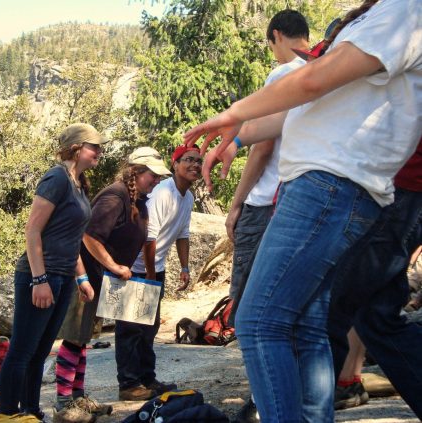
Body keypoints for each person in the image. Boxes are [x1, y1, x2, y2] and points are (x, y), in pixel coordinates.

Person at [184, 0, 421, 421]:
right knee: (307, 325)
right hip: (328, 183)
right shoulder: (382, 14)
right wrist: (238, 137)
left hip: (330, 183)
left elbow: (313, 81)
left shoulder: (406, 9)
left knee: (259, 321)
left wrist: (235, 112)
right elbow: (309, 105)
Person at [221, 11, 309, 422]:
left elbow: (262, 146)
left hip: (267, 202)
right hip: (302, 201)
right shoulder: (322, 66)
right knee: (295, 307)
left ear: (275, 36)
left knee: (251, 308)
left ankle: (264, 399)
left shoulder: (283, 75)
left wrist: (237, 202)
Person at [0, 123, 107, 421]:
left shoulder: (79, 182)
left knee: (40, 350)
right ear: (76, 147)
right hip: (40, 276)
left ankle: (30, 411)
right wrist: (39, 279)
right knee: (21, 350)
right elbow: (32, 231)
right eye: (94, 146)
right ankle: (7, 415)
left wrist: (81, 277)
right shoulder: (56, 178)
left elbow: (71, 239)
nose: (99, 151)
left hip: (63, 278)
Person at [60, 147, 170, 410]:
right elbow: (88, 236)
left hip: (104, 280)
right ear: (136, 172)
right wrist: (113, 266)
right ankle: (65, 401)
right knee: (75, 337)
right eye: (152, 175)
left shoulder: (138, 200)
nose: (156, 181)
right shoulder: (115, 195)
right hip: (85, 277)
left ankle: (79, 397)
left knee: (84, 337)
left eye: (158, 177)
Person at [328, 137, 422, 419]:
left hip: (400, 189)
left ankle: (290, 410)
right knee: (375, 319)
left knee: (328, 307)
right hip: (399, 187)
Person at [125, 144, 202, 390]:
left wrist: (185, 267)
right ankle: (128, 383)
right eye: (189, 159)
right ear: (175, 165)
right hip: (135, 266)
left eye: (199, 161)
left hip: (154, 267)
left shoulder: (187, 197)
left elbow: (183, 233)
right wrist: (149, 275)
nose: (195, 165)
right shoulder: (162, 192)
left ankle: (147, 379)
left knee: (150, 326)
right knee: (131, 328)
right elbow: (149, 236)